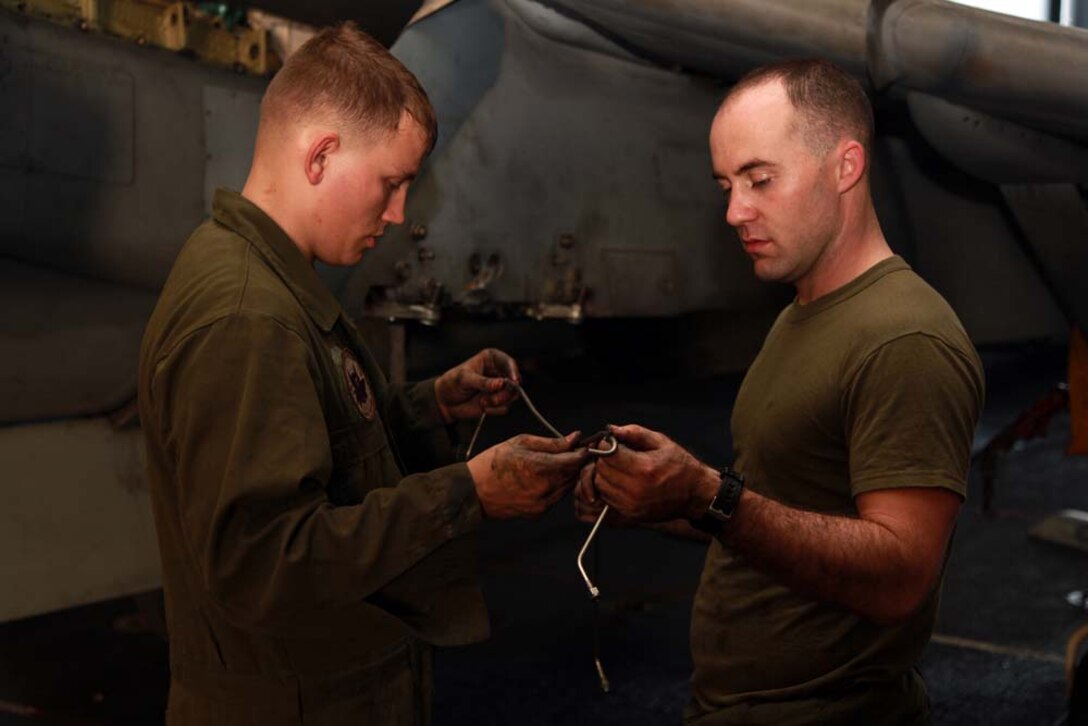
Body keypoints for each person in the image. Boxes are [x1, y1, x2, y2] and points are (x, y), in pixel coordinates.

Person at [138, 23, 587, 725]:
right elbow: (266, 563)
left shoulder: (266, 280)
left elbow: (322, 443)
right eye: (392, 183)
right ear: (319, 155)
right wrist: (467, 492)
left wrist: (435, 404)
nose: (401, 213)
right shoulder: (247, 316)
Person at [576, 59, 984, 724]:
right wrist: (659, 498)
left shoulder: (904, 339)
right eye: (726, 184)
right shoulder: (801, 312)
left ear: (845, 167)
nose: (735, 211)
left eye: (760, 179)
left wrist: (708, 492)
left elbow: (900, 578)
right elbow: (786, 507)